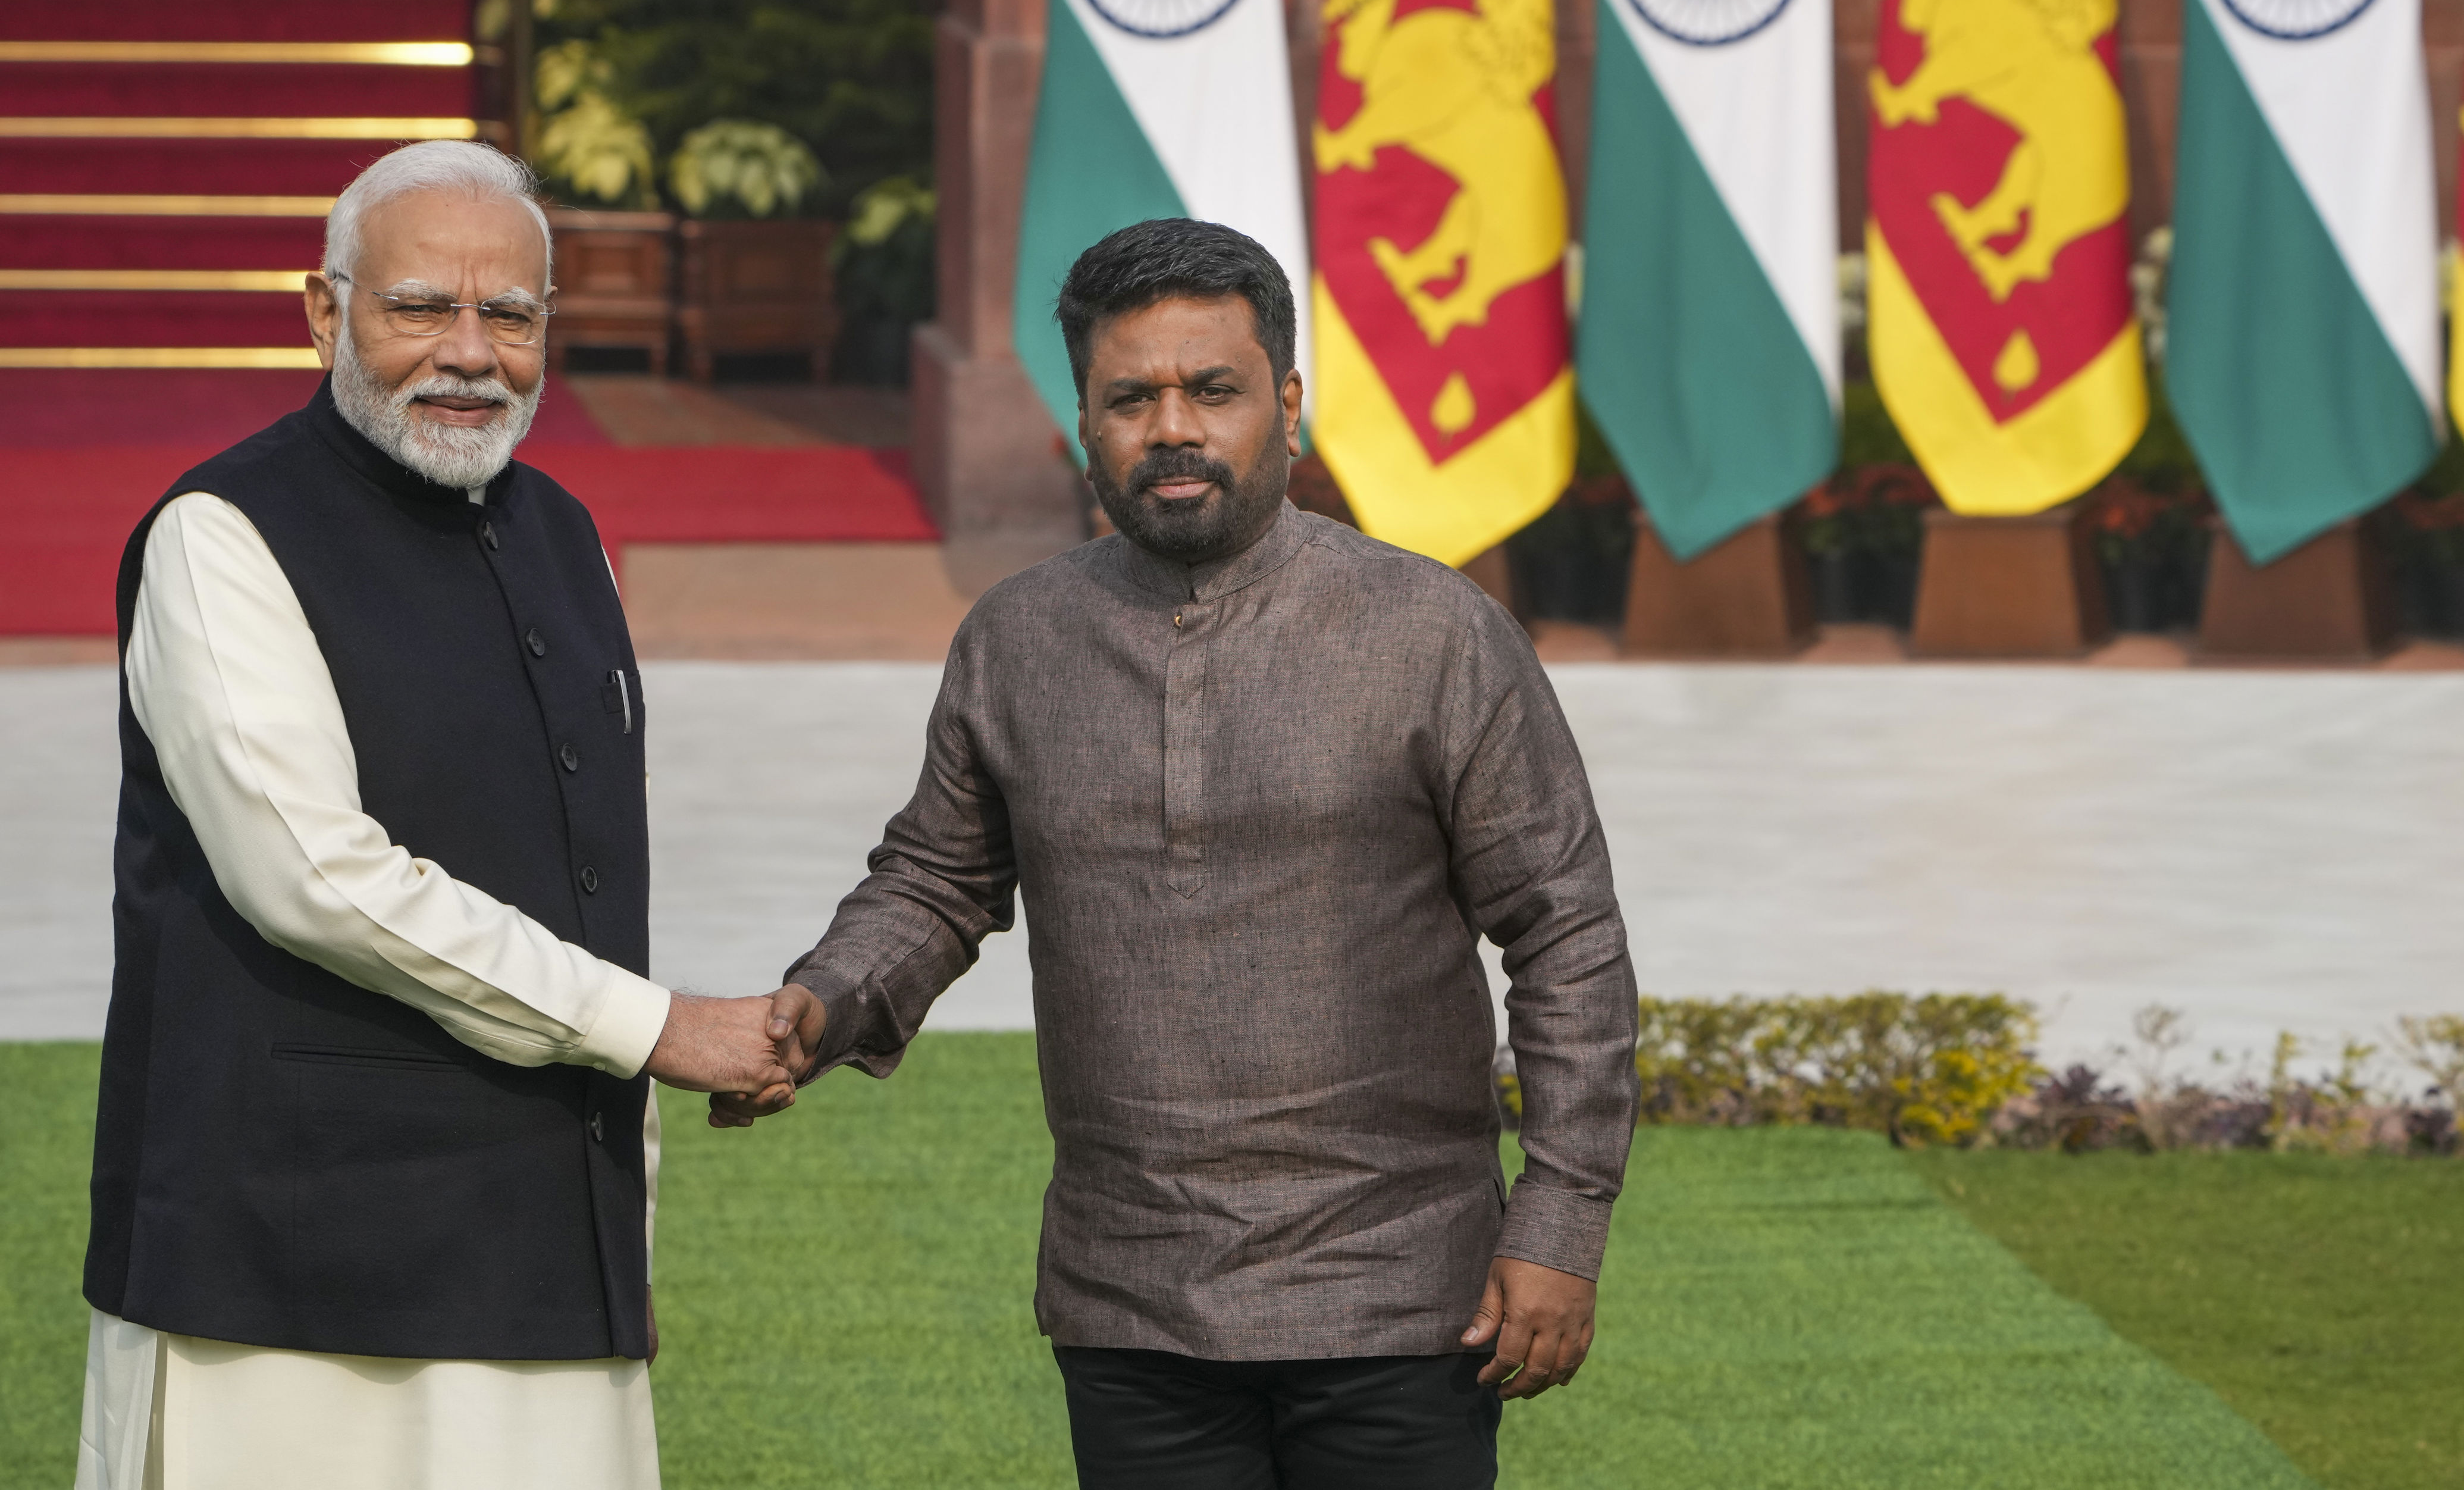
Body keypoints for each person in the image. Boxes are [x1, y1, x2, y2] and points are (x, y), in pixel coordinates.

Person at [723, 218, 1639, 1488]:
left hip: (1398, 1289)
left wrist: (1560, 1218)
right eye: (1129, 398)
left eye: (1213, 389)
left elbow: (1565, 932)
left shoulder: (1434, 634)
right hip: (1129, 1295)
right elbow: (936, 878)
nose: (1171, 428)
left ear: (1288, 404)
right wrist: (820, 1004)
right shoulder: (1019, 639)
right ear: (1083, 421)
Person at [77, 140, 797, 1490]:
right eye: (419, 306)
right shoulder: (219, 534)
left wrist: (628, 1204)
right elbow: (313, 874)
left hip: (544, 1243)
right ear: (324, 311)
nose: (469, 353)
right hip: (279, 1269)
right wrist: (655, 1027)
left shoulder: (566, 533)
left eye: (508, 315)